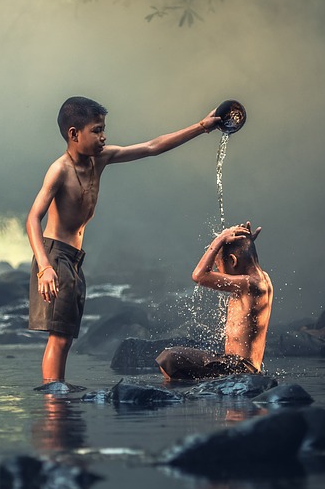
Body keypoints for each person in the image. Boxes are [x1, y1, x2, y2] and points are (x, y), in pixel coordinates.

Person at [27, 96, 221, 385]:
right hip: (55, 257)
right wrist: (45, 268)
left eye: (104, 129)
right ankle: (54, 401)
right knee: (59, 337)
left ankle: (58, 393)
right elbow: (32, 219)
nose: (104, 136)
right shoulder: (59, 170)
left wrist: (202, 127)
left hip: (73, 259)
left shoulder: (101, 158)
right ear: (73, 134)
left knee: (66, 336)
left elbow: (152, 147)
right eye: (96, 130)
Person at [156, 221, 273, 382]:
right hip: (238, 364)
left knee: (168, 358)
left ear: (233, 261)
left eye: (219, 267)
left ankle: (177, 396)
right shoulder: (264, 279)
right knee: (171, 361)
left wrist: (219, 240)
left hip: (240, 368)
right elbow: (246, 256)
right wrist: (246, 244)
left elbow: (199, 276)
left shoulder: (250, 284)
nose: (218, 273)